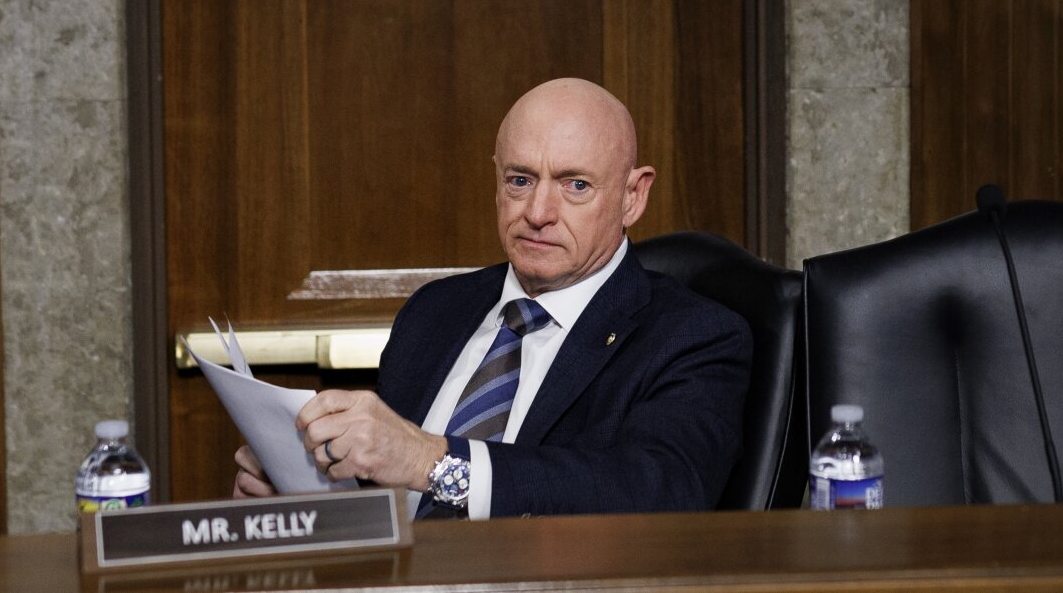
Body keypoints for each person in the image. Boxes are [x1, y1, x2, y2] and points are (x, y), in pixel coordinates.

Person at [233, 78, 751, 518]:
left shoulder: (692, 336)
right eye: (520, 180)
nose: (538, 213)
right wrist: (310, 494)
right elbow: (385, 482)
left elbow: (658, 490)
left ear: (632, 197)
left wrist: (434, 462)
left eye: (575, 185)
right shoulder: (435, 311)